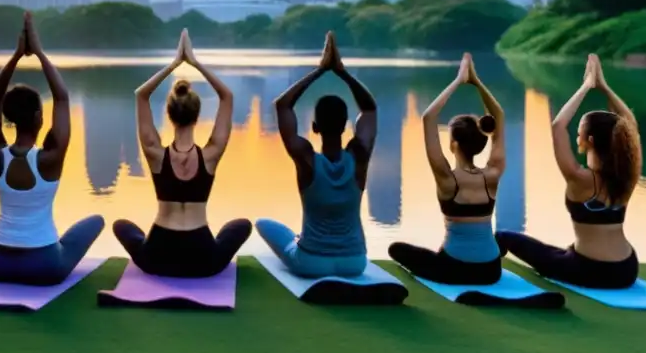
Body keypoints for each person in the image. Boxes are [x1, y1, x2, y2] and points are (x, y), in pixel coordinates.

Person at [0, 12, 104, 286]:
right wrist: (40, 54)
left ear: (9, 118)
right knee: (96, 221)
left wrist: (17, 56)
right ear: (38, 118)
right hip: (44, 266)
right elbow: (62, 97)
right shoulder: (50, 158)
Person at [113, 30, 251, 278]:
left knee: (120, 226)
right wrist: (195, 63)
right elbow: (227, 96)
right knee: (242, 226)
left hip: (157, 255)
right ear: (197, 116)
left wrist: (175, 63)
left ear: (169, 115)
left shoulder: (155, 153)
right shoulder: (210, 155)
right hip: (203, 259)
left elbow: (141, 95)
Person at [496, 54, 641, 289]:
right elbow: (629, 125)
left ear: (590, 140)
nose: (576, 136)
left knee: (504, 237)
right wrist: (603, 87)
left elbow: (558, 126)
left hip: (590, 269)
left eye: (580, 132)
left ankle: (485, 276)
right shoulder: (626, 176)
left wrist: (586, 86)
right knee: (560, 252)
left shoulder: (580, 178)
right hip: (627, 268)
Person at [255, 31, 377, 278]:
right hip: (354, 262)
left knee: (263, 224)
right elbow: (369, 108)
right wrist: (341, 72)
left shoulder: (306, 159)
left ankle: (301, 241)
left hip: (311, 262)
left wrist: (319, 70)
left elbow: (283, 105)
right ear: (345, 126)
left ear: (314, 127)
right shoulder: (359, 158)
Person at [389, 53, 506, 285]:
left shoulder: (447, 179)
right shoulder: (492, 174)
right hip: (492, 271)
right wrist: (475, 81)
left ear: (453, 144)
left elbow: (429, 117)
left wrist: (458, 80)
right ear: (481, 143)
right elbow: (499, 116)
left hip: (454, 269)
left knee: (396, 249)